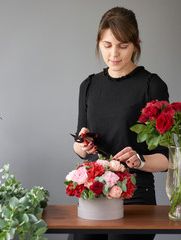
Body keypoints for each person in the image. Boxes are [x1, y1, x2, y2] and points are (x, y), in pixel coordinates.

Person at [72, 6, 169, 240]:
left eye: (123, 46)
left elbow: (166, 158)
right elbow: (79, 147)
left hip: (135, 193)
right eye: (107, 45)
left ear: (136, 44)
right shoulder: (89, 86)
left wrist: (140, 159)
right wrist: (83, 145)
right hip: (94, 191)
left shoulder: (152, 86)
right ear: (98, 43)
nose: (114, 54)